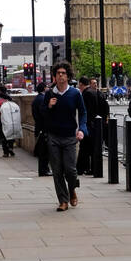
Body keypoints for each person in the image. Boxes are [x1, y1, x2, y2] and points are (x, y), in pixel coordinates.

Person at [45, 60, 88, 209]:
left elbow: (83, 112)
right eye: (58, 73)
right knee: (57, 171)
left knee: (70, 169)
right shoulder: (49, 94)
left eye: (64, 73)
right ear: (55, 77)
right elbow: (41, 115)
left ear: (68, 76)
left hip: (70, 136)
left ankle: (72, 190)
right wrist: (49, 106)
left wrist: (82, 129)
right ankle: (63, 201)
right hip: (53, 136)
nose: (61, 76)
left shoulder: (75, 93)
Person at [76, 77, 100, 174]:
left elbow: (85, 111)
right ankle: (90, 168)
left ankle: (81, 168)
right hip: (94, 123)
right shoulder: (94, 92)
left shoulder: (86, 94)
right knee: (91, 148)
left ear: (81, 84)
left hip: (88, 124)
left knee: (84, 147)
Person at [32, 82, 51, 176]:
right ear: (44, 88)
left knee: (42, 151)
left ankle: (44, 169)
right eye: (47, 87)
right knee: (44, 151)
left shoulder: (37, 98)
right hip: (43, 128)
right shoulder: (42, 99)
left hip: (38, 126)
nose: (48, 88)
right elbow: (44, 113)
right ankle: (44, 170)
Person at [0, 92, 22, 157]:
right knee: (11, 135)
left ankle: (5, 152)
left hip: (3, 122)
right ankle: (11, 148)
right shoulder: (14, 104)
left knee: (4, 137)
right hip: (13, 122)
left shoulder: (1, 104)